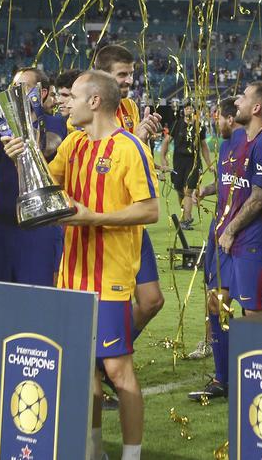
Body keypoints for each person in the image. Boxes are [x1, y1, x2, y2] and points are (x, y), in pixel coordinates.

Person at [3, 69, 160, 460]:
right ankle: (92, 451)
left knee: (118, 371)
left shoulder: (128, 148)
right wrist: (22, 158)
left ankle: (131, 455)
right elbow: (45, 189)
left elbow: (151, 209)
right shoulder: (73, 145)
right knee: (85, 372)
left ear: (94, 101)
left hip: (109, 278)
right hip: (70, 276)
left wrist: (93, 217)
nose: (64, 102)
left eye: (71, 96)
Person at [190, 81, 262, 401]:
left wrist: (230, 231)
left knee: (252, 311)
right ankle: (223, 378)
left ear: (256, 108)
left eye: (243, 97)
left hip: (252, 238)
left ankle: (261, 379)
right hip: (224, 236)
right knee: (217, 304)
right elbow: (231, 185)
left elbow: (259, 197)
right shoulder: (236, 139)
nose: (237, 102)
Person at [95, 44, 165, 341]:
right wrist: (134, 139)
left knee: (151, 301)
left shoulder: (131, 108)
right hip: (106, 223)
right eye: (122, 75)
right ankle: (103, 362)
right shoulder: (89, 110)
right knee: (107, 304)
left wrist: (143, 139)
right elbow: (96, 164)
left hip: (133, 220)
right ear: (102, 75)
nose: (129, 81)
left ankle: (103, 360)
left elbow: (134, 160)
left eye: (131, 74)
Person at [0, 67, 68, 285]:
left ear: (43, 93)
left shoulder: (56, 123)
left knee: (37, 299)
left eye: (23, 87)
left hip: (40, 227)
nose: (15, 92)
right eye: (13, 87)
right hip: (0, 225)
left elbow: (44, 148)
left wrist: (18, 117)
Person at [184, 98, 236, 369]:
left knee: (243, 293)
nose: (214, 122)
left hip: (239, 231)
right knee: (212, 288)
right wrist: (206, 190)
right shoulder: (226, 147)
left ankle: (258, 339)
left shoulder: (253, 145)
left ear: (229, 119)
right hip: (218, 225)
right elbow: (226, 182)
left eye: (217, 117)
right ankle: (209, 341)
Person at [159, 102, 209, 230]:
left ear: (194, 110)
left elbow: (204, 146)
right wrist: (163, 158)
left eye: (191, 107)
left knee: (188, 190)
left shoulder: (199, 127)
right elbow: (166, 141)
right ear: (183, 110)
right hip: (178, 162)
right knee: (179, 189)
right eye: (186, 108)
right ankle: (185, 214)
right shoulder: (177, 124)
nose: (188, 109)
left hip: (194, 161)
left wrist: (209, 163)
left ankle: (186, 219)